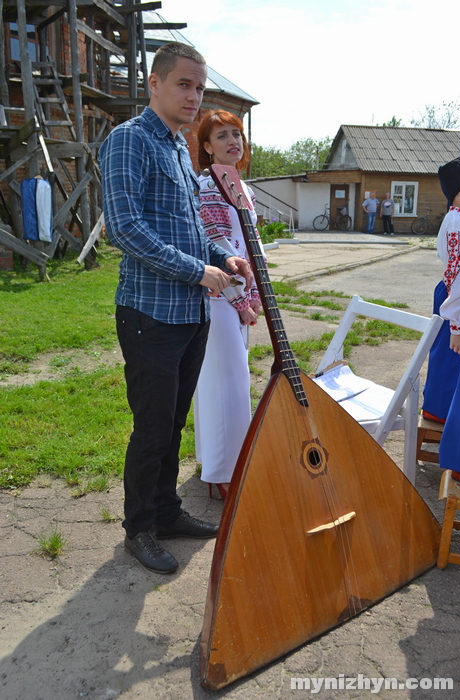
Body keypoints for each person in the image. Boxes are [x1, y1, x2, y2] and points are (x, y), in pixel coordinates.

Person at [98, 42, 253, 574]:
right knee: (152, 425)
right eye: (184, 84)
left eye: (199, 87)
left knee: (173, 421)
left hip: (191, 314)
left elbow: (189, 233)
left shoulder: (177, 148)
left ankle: (166, 512)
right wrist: (198, 271)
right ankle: (139, 527)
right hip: (150, 314)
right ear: (155, 85)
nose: (194, 96)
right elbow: (125, 228)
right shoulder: (129, 141)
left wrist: (223, 257)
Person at [193, 110, 264, 501]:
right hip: (219, 296)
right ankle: (227, 473)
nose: (233, 141)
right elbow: (219, 245)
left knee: (219, 382)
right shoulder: (209, 186)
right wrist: (241, 300)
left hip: (239, 299)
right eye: (222, 136)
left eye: (237, 134)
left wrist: (253, 298)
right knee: (229, 384)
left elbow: (253, 247)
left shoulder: (240, 185)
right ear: (206, 146)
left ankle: (213, 461)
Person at [432, 136, 460, 484]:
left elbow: (447, 260)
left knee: (446, 360)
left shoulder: (454, 217)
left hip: (451, 291)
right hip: (458, 295)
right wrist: (459, 320)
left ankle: (436, 409)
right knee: (458, 367)